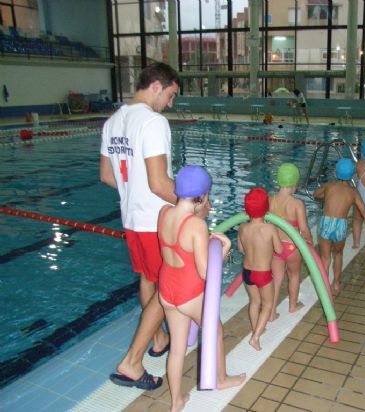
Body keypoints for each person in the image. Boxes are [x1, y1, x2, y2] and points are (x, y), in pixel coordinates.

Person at [100, 62, 179, 390]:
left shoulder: (113, 121)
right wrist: (194, 201)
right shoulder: (153, 121)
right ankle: (132, 362)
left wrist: (134, 194)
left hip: (132, 219)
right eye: (172, 95)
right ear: (157, 86)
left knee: (149, 278)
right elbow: (161, 184)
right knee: (168, 288)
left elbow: (107, 176)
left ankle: (159, 339)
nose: (171, 105)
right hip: (154, 222)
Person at [158, 166, 245, 411]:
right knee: (215, 330)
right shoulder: (196, 226)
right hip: (189, 293)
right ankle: (221, 379)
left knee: (176, 348)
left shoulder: (164, 213)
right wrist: (224, 248)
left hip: (166, 291)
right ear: (202, 197)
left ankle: (176, 401)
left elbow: (175, 248)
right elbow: (206, 272)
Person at [313, 158, 365, 293]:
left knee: (325, 257)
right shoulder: (353, 192)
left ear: (336, 172)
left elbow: (316, 194)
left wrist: (325, 195)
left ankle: (324, 287)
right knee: (338, 254)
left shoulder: (329, 186)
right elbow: (364, 213)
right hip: (340, 226)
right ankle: (336, 283)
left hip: (326, 222)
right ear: (352, 175)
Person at [238, 187, 283, 351]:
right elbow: (279, 250)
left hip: (247, 272)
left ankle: (257, 328)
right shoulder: (270, 228)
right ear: (267, 208)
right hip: (263, 274)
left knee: (254, 302)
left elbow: (241, 249)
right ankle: (255, 337)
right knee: (268, 305)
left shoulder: (243, 227)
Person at [269, 163, 313, 321]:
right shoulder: (297, 204)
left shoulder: (270, 200)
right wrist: (309, 243)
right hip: (292, 246)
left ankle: (271, 312)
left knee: (276, 279)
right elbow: (304, 229)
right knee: (294, 275)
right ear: (294, 184)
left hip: (276, 247)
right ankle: (293, 305)